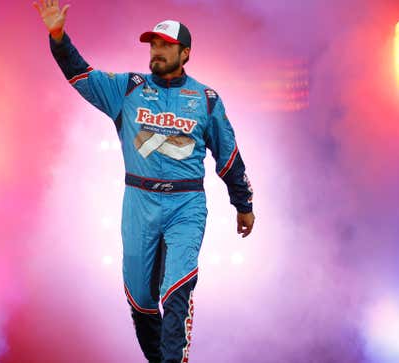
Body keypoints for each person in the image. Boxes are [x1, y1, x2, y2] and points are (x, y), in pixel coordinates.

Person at [33, 2, 255, 362]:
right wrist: (58, 37)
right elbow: (80, 74)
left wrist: (243, 204)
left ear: (185, 53)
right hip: (139, 201)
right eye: (153, 44)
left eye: (166, 45)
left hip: (186, 205)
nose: (157, 50)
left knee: (177, 288)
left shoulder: (206, 99)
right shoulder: (127, 88)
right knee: (140, 298)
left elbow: (228, 155)